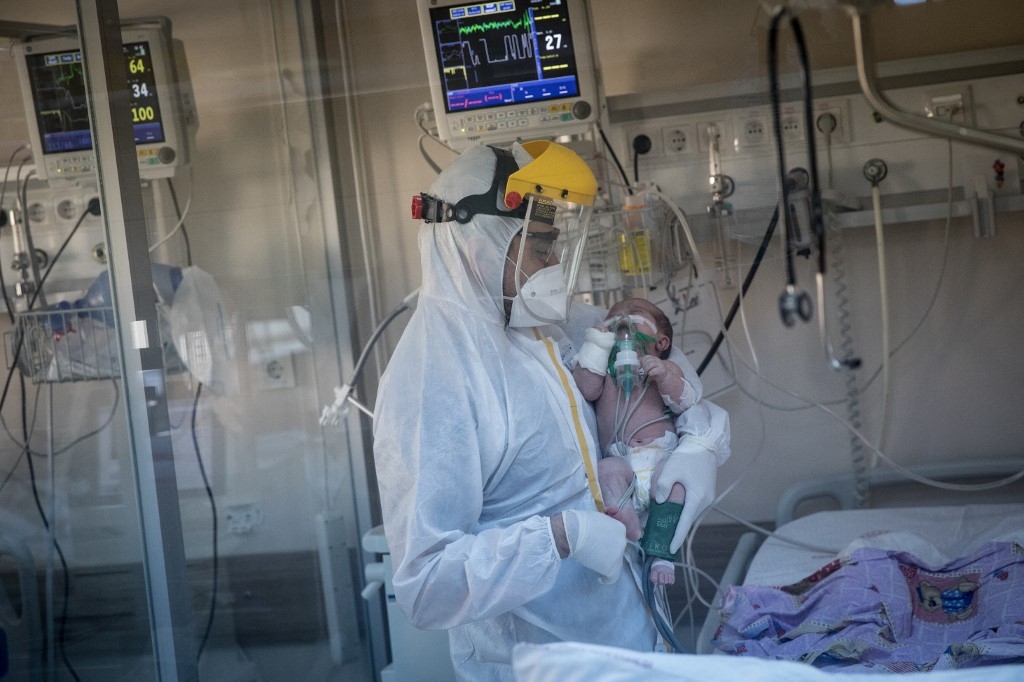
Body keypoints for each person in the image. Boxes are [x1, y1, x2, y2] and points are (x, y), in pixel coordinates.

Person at [372, 140, 727, 680]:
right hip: (539, 666)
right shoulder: (433, 379)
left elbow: (658, 353)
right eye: (540, 248)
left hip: (627, 640)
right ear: (481, 248)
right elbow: (427, 585)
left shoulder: (544, 324)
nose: (555, 265)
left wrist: (701, 443)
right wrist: (562, 536)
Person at [571, 297, 697, 586]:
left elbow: (684, 401)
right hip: (620, 456)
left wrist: (664, 376)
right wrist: (596, 346)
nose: (621, 320)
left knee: (676, 485)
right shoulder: (605, 373)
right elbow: (586, 389)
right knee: (606, 472)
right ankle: (625, 517)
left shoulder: (667, 369)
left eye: (634, 314)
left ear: (662, 342)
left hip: (661, 454)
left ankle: (661, 551)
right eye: (613, 316)